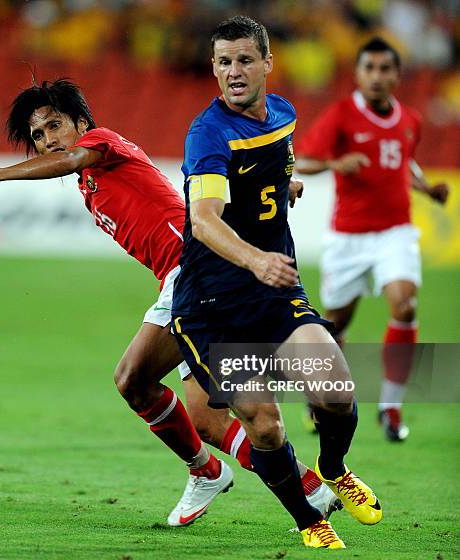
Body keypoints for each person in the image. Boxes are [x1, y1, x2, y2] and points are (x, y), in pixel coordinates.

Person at [0, 79, 339, 527]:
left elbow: (74, 158)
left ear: (81, 123)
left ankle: (226, 469)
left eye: (55, 125)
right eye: (38, 135)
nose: (48, 139)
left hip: (192, 271)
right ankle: (290, 483)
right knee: (205, 421)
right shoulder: (88, 182)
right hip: (183, 280)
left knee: (133, 377)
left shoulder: (101, 144)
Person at [171, 16, 382, 548]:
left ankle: (332, 468)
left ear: (268, 63)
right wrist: (255, 259)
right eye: (223, 62)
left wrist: (281, 185)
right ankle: (310, 522)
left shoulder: (283, 113)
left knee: (335, 391)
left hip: (272, 288)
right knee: (265, 424)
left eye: (244, 60)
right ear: (213, 69)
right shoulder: (208, 133)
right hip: (216, 303)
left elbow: (269, 166)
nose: (234, 72)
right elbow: (204, 219)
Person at [295, 37, 449, 442]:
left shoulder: (409, 119)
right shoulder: (341, 115)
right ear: (358, 74)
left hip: (395, 232)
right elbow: (303, 160)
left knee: (405, 301)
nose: (377, 76)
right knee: (336, 324)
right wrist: (335, 163)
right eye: (369, 69)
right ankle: (321, 397)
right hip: (348, 237)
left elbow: (404, 161)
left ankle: (391, 407)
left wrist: (426, 189)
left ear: (397, 75)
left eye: (385, 69)